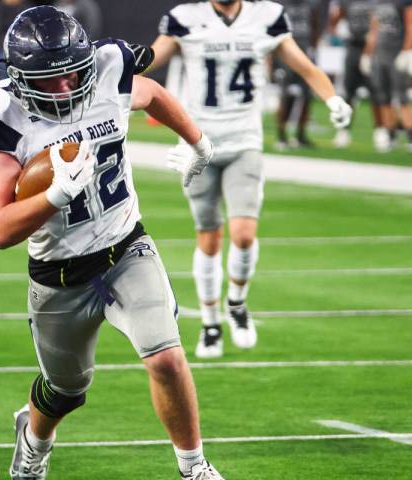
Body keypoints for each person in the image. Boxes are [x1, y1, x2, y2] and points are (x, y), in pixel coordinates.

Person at [0, 6, 224, 480]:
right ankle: (34, 443)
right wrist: (56, 195)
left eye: (72, 75)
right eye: (48, 80)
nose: (64, 88)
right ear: (20, 79)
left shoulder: (107, 71)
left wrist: (197, 141)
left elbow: (151, 93)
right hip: (60, 272)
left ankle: (194, 468)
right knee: (65, 390)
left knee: (165, 355)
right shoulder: (4, 116)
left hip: (126, 247)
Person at [149, 0, 352, 358]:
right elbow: (146, 61)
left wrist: (332, 98)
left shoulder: (267, 16)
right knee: (208, 237)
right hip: (199, 146)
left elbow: (303, 65)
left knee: (244, 234)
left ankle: (237, 303)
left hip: (244, 140)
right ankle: (211, 322)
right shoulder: (185, 19)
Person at [328, 0, 383, 148]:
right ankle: (343, 131)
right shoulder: (347, 1)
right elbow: (333, 20)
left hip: (373, 50)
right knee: (348, 93)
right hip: (353, 48)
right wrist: (339, 33)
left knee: (376, 94)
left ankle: (381, 132)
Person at [362, 0, 412, 152]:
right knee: (383, 97)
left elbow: (410, 26)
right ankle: (390, 134)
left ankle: (410, 135)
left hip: (397, 53)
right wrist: (367, 53)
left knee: (401, 97)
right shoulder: (376, 3)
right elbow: (374, 29)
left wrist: (407, 50)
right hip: (379, 55)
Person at [274, 0, 324, 149]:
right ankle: (282, 136)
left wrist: (313, 48)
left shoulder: (310, 4)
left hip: (305, 54)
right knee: (286, 96)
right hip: (286, 56)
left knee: (307, 96)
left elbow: (315, 26)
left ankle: (301, 135)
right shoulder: (280, 5)